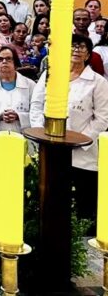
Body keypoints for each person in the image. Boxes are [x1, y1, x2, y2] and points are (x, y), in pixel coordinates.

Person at [29, 34, 108, 221]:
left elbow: (102, 118)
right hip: (51, 146)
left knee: (83, 203)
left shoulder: (98, 82)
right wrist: (41, 134)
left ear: (88, 54)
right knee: (52, 198)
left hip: (83, 153)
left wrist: (80, 141)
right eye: (72, 46)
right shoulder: (52, 74)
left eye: (81, 47)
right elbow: (36, 105)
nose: (76, 50)